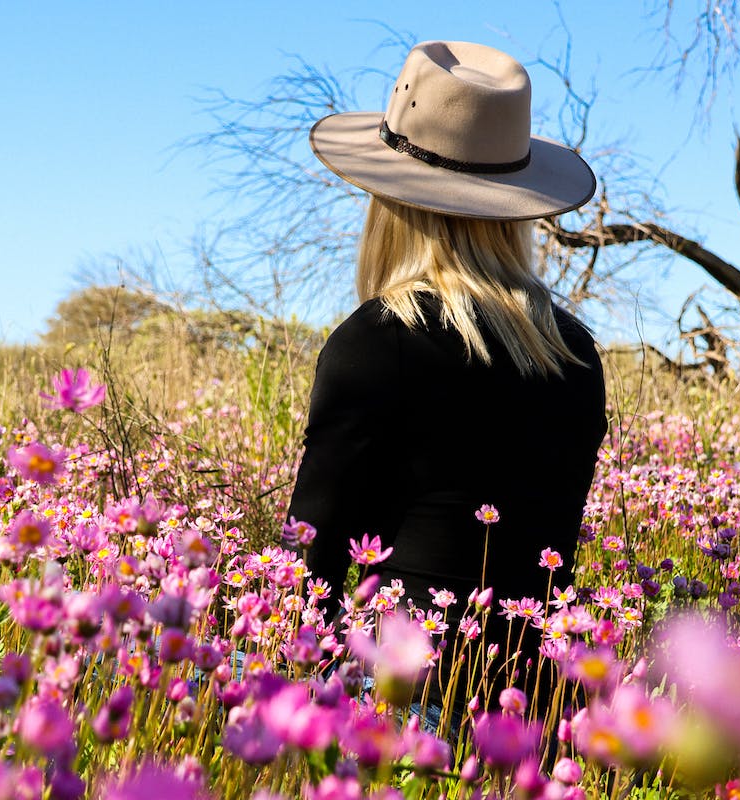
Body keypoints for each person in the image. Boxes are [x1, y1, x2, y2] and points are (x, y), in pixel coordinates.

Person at [286, 40, 607, 716]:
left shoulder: (374, 342)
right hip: (536, 708)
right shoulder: (573, 352)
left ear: (390, 201)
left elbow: (308, 565)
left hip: (399, 700)